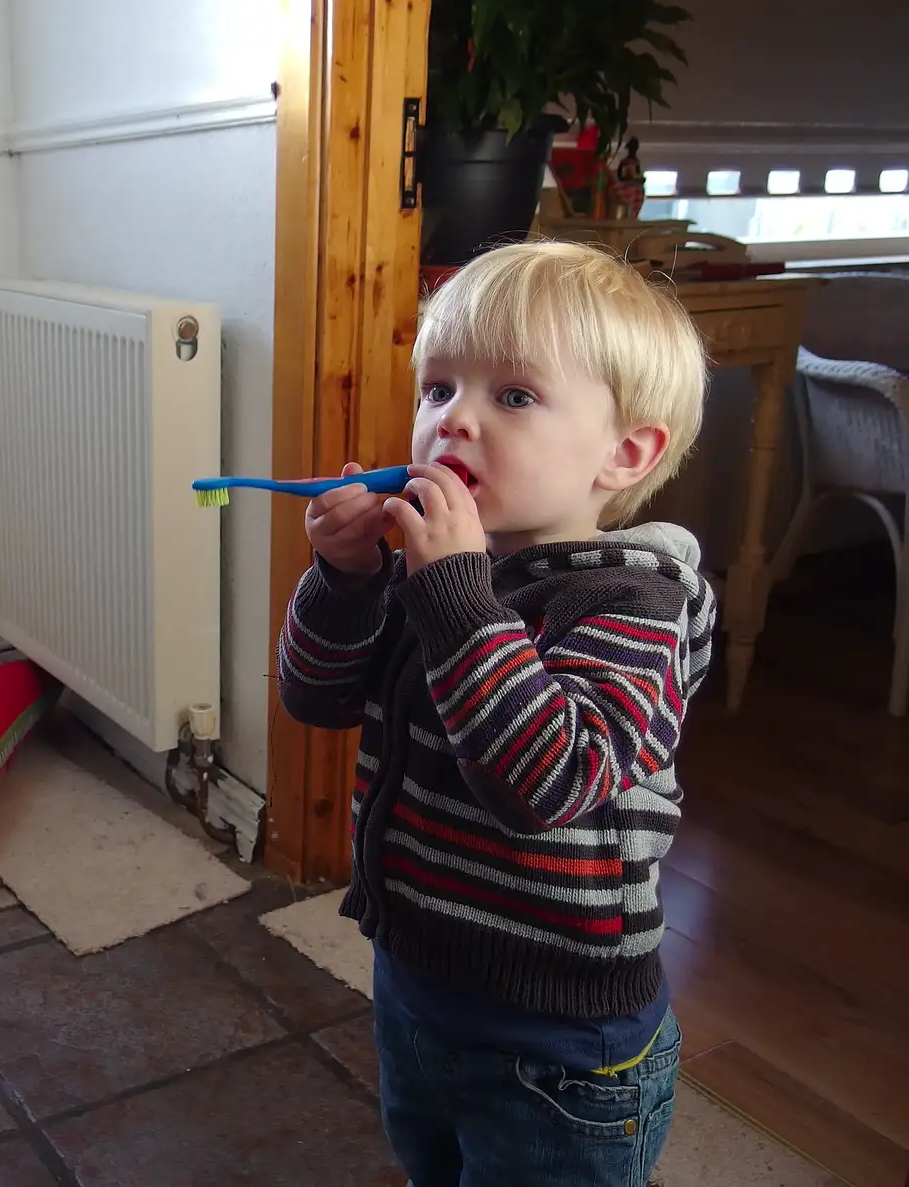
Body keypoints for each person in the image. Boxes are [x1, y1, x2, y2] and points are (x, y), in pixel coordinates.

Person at [276, 241, 716, 1187]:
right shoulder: (437, 575)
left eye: (512, 397)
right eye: (439, 389)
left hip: (559, 1045)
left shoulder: (631, 605)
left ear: (624, 452)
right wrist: (345, 580)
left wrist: (454, 596)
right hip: (419, 986)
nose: (453, 423)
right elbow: (315, 697)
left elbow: (546, 778)